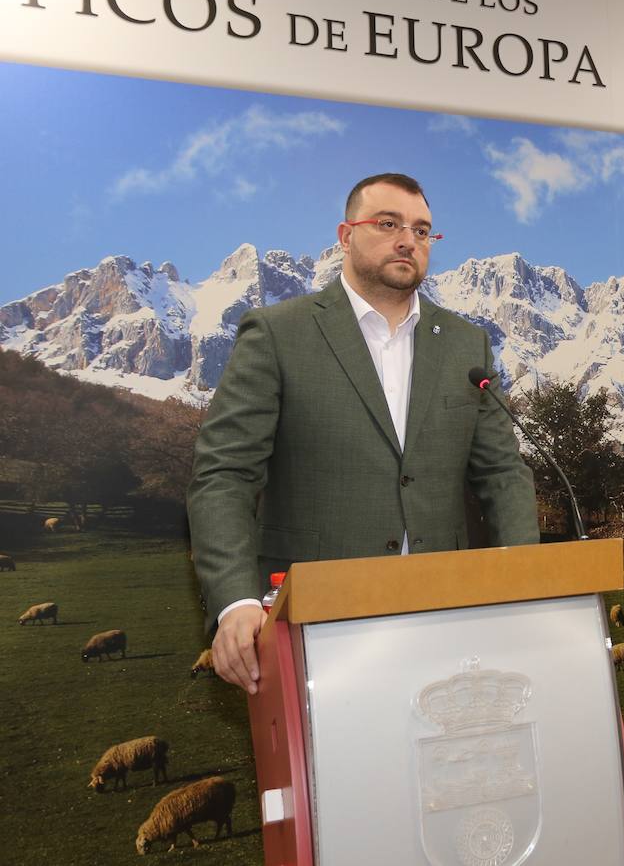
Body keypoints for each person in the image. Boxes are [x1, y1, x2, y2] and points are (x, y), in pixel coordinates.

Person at [187, 172, 538, 694]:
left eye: (422, 231)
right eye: (388, 223)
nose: (408, 240)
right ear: (345, 236)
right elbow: (224, 475)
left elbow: (503, 473)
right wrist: (236, 602)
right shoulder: (278, 334)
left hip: (446, 612)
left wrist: (524, 579)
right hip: (317, 617)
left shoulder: (467, 344)